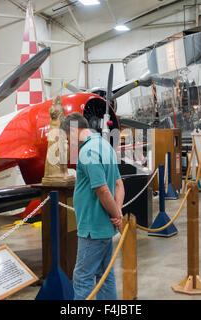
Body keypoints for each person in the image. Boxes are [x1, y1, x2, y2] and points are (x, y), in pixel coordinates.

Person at [60, 112, 124, 300]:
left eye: (67, 138)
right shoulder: (106, 146)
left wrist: (117, 215)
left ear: (73, 131)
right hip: (105, 227)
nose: (68, 143)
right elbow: (119, 184)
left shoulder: (88, 152)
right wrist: (117, 212)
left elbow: (103, 190)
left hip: (92, 228)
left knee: (82, 278)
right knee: (105, 276)